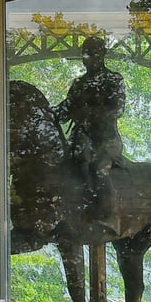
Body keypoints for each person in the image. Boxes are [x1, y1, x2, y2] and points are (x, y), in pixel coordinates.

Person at [56, 36, 126, 203]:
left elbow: (117, 109)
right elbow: (64, 111)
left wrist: (88, 113)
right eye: (85, 54)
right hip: (79, 142)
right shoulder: (79, 84)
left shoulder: (113, 79)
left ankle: (107, 209)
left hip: (105, 141)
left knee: (99, 168)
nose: (87, 59)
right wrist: (45, 113)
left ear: (102, 55)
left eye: (91, 54)